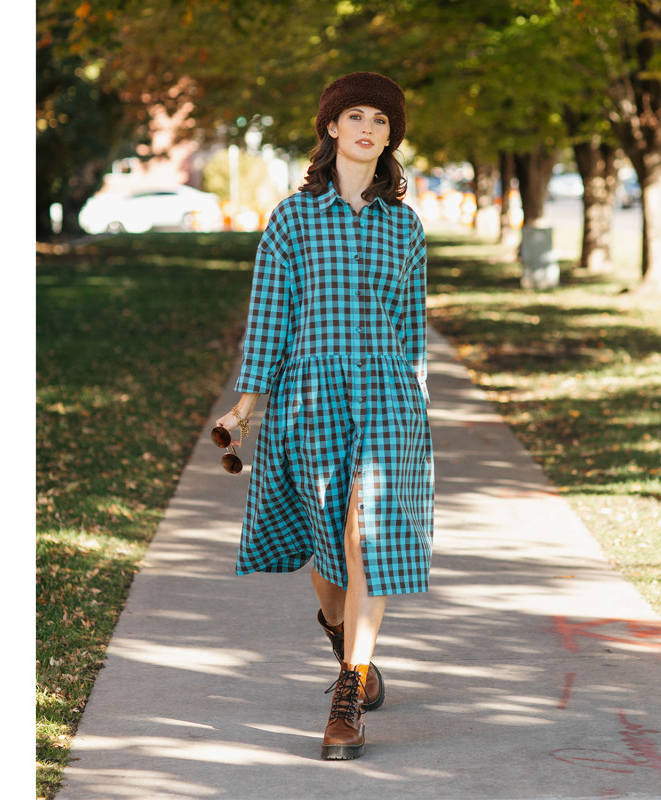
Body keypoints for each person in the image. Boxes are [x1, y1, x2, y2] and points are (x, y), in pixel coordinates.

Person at [215, 71, 434, 761]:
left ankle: (348, 691)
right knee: (327, 551)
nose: (368, 127)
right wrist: (246, 404)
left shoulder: (405, 226)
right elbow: (269, 320)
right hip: (310, 396)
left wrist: (418, 409)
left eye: (381, 119)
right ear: (332, 128)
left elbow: (410, 330)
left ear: (391, 136)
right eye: (355, 116)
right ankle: (341, 633)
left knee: (367, 535)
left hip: (387, 396)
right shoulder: (292, 218)